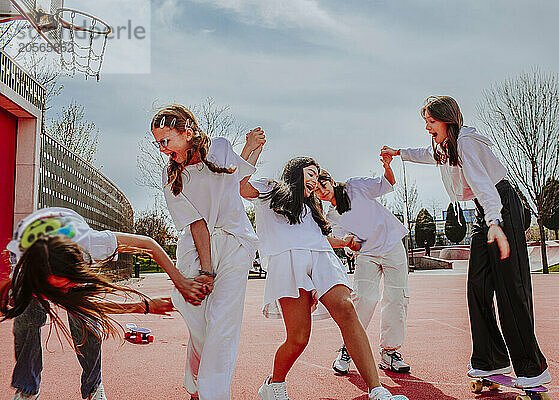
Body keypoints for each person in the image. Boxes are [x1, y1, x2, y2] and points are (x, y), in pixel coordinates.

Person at [381, 96, 550, 388]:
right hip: (486, 211)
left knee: (510, 288)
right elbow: (426, 153)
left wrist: (496, 223)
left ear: (447, 120)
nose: (427, 128)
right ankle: (489, 360)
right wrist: (399, 153)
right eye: (426, 123)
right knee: (478, 286)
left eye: (431, 122)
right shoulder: (445, 147)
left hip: (501, 207)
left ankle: (532, 368)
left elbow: (486, 187)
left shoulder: (467, 144)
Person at [241, 157, 409, 400]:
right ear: (295, 173)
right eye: (310, 173)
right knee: (298, 338)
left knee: (347, 309)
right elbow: (242, 187)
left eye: (318, 175)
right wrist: (251, 151)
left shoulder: (315, 208)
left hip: (321, 259)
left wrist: (344, 242)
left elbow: (320, 239)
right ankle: (273, 384)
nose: (314, 180)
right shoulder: (271, 189)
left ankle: (377, 389)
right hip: (289, 263)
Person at [1, 207, 196, 400]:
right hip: (33, 247)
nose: (64, 295)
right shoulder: (23, 272)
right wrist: (144, 306)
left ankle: (93, 386)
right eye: (58, 290)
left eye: (69, 286)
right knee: (26, 321)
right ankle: (27, 389)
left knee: (86, 324)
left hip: (67, 232)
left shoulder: (92, 244)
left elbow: (148, 244)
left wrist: (180, 282)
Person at [151, 104, 263, 400]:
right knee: (199, 323)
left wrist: (253, 147)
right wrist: (206, 269)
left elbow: (239, 181)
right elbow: (197, 223)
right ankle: (197, 383)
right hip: (196, 249)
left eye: (166, 141)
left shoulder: (220, 149)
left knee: (222, 326)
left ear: (187, 133)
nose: (162, 149)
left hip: (236, 244)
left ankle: (212, 394)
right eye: (158, 143)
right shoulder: (169, 174)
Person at [315, 154, 411, 376]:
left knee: (397, 299)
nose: (322, 190)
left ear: (330, 180)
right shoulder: (331, 216)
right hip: (367, 254)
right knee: (364, 299)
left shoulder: (355, 186)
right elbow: (351, 245)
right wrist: (352, 242)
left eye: (324, 184)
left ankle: (389, 353)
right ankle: (348, 349)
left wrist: (387, 167)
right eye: (317, 189)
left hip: (392, 246)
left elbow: (386, 184)